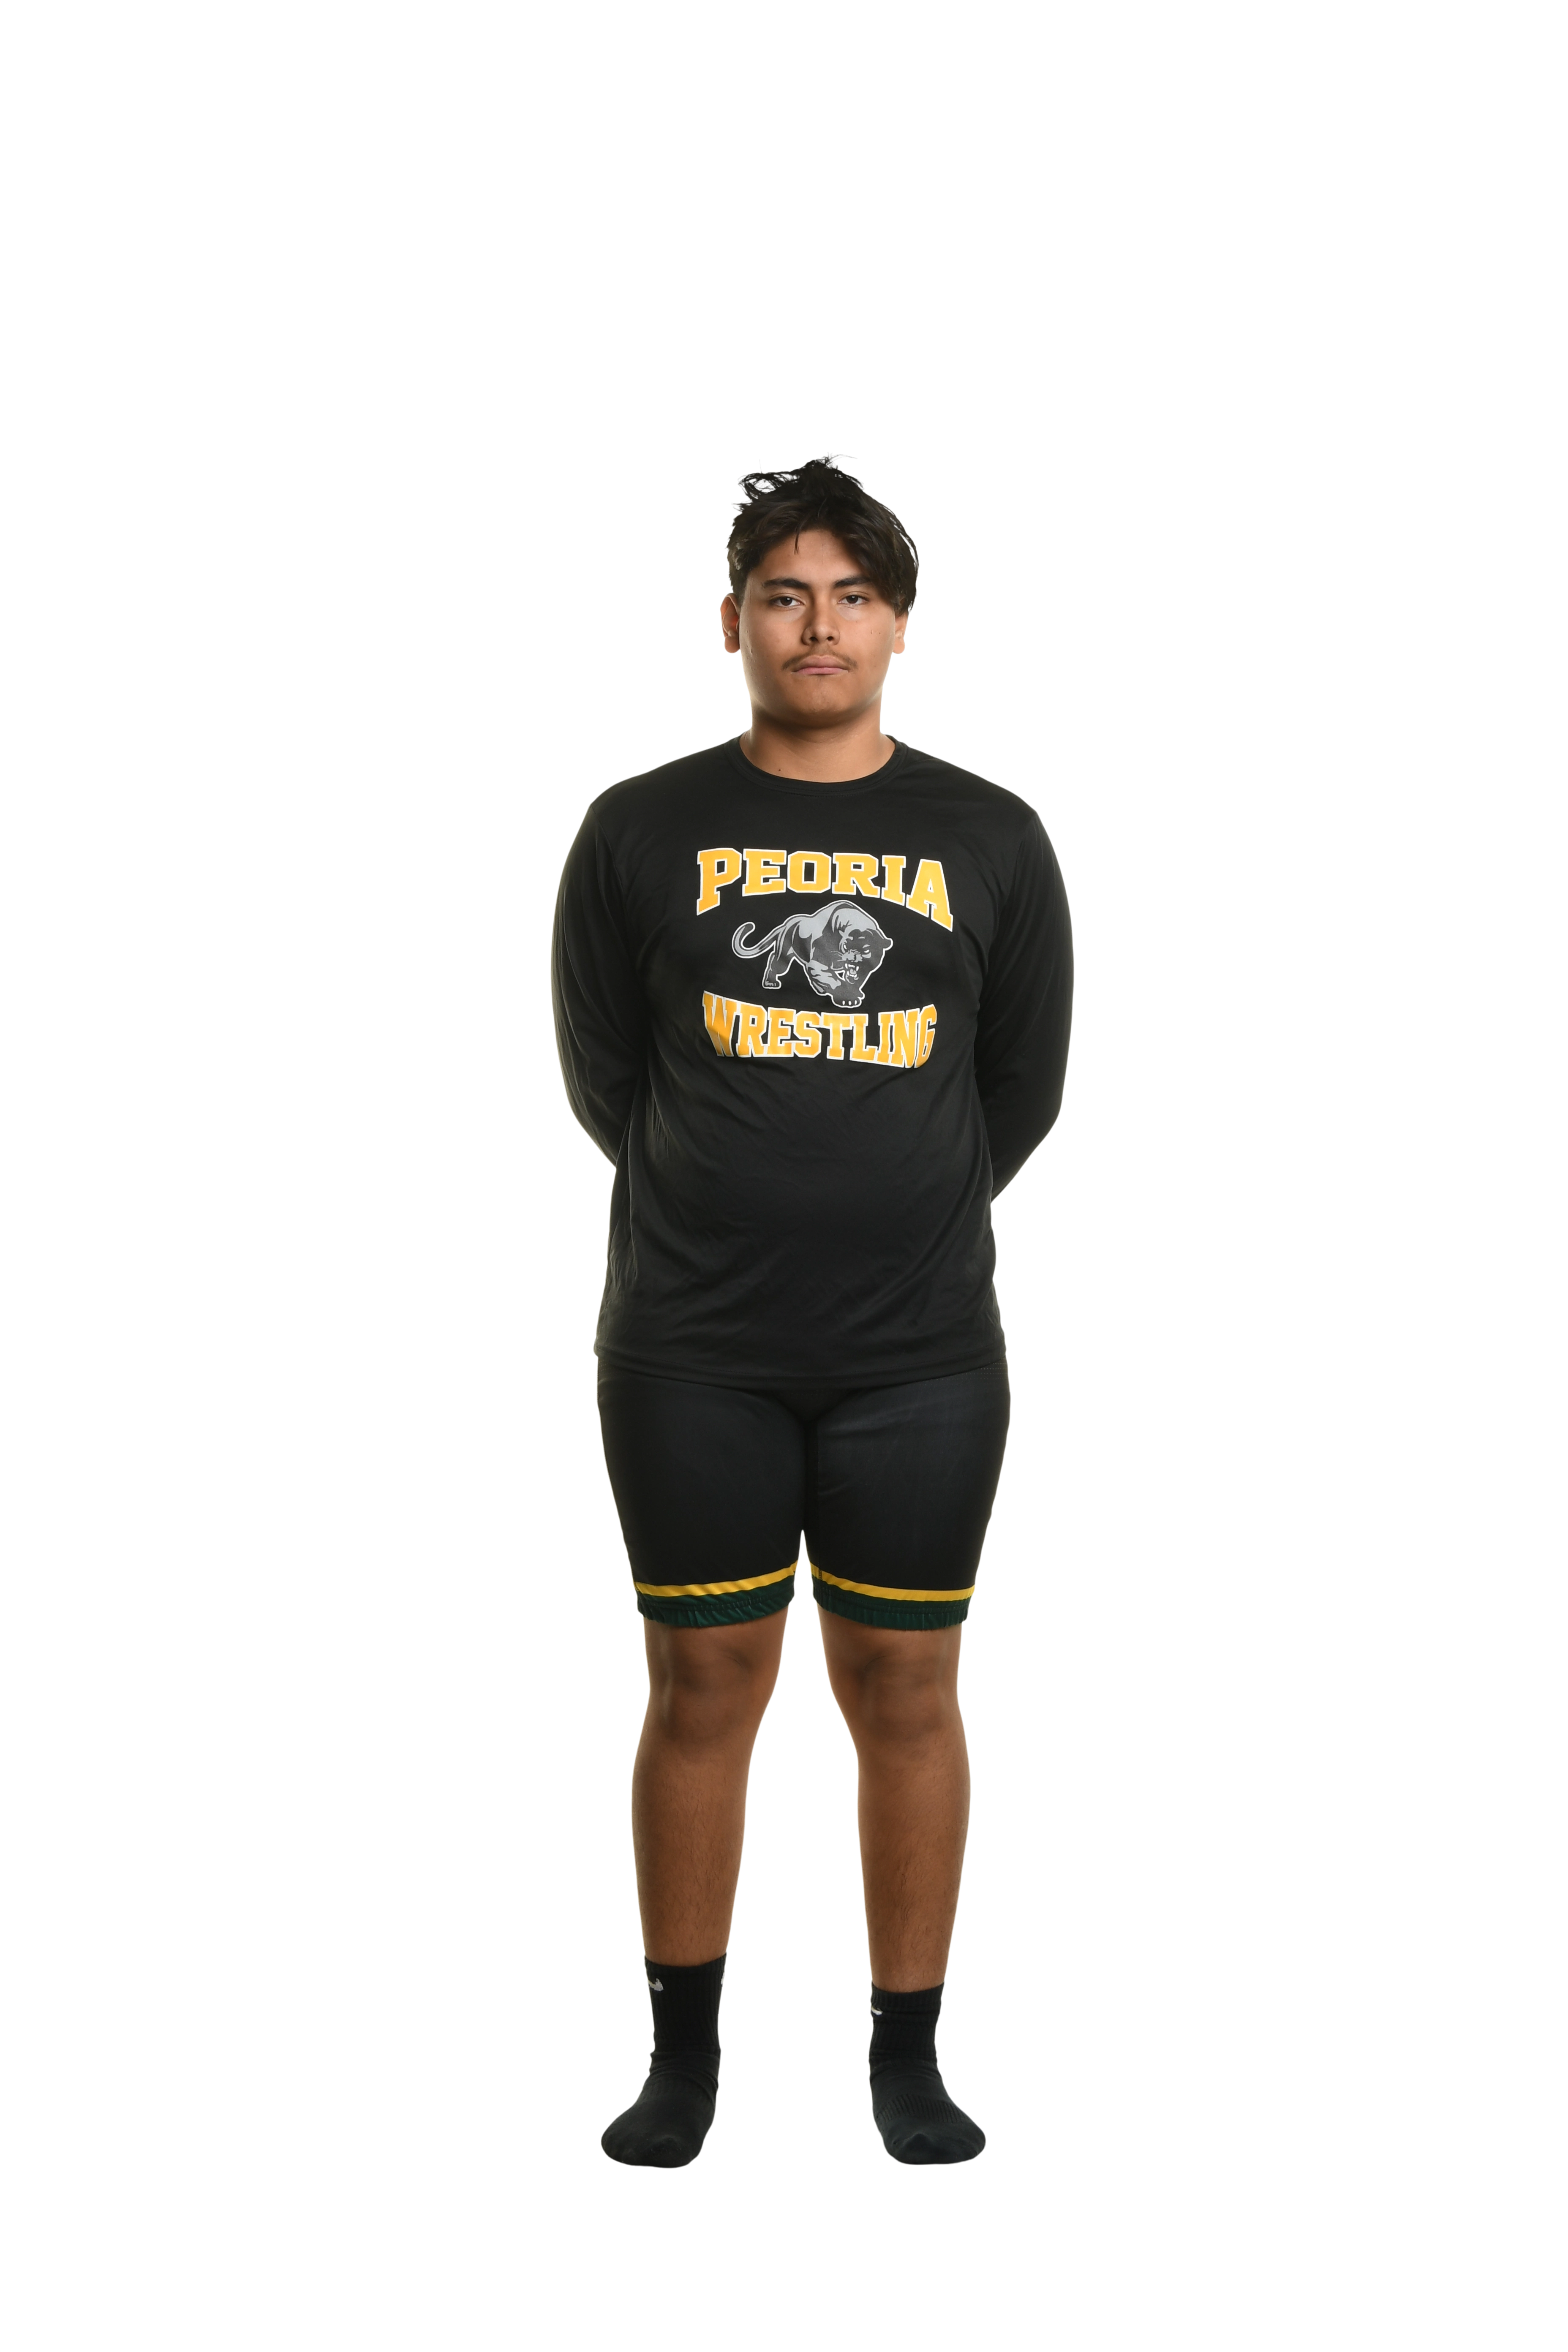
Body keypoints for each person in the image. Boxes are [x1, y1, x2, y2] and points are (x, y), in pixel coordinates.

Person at [550, 450, 1073, 2170]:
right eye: (783, 593)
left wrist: (890, 1207)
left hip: (920, 1357)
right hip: (692, 1347)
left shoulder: (991, 836)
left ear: (901, 622)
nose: (818, 624)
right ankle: (682, 2064)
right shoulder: (638, 829)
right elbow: (608, 1080)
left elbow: (1020, 1089)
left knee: (906, 1686)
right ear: (734, 622)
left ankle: (906, 2060)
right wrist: (735, 1196)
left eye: (854, 593)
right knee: (702, 1682)